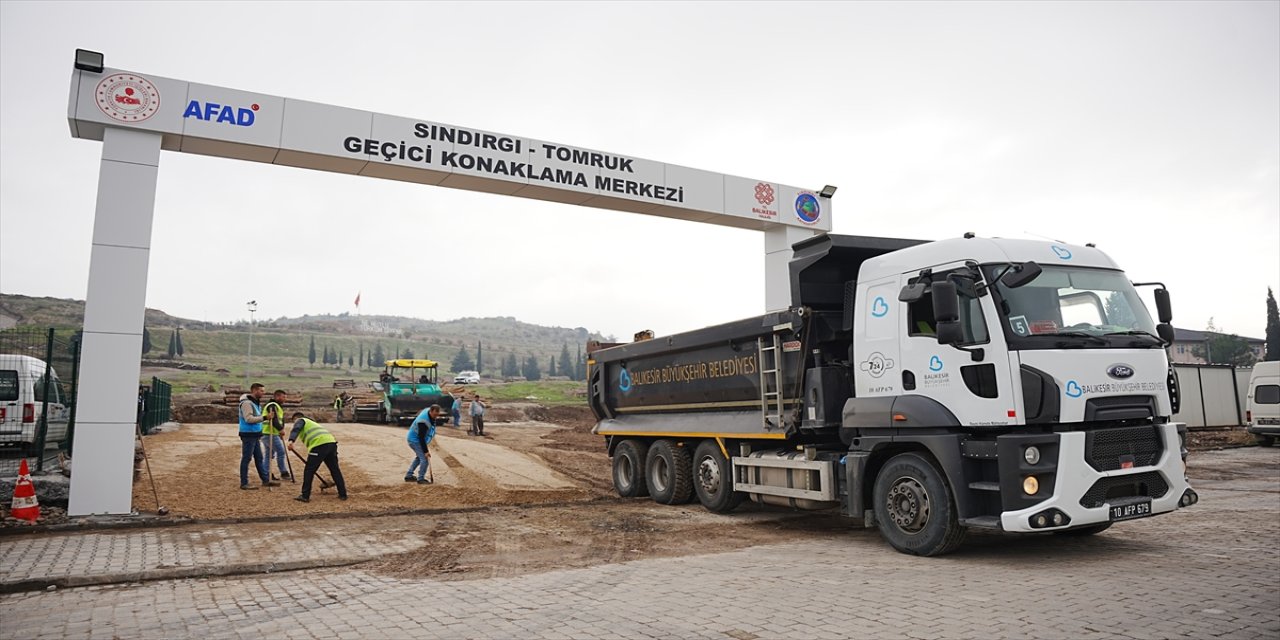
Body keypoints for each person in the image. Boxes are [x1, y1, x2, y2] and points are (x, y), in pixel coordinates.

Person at [287, 412, 348, 502]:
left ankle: (305, 496)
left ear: (296, 419)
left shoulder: (300, 420)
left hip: (319, 445)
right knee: (335, 470)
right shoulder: (313, 424)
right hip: (331, 443)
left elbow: (296, 428)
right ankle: (343, 494)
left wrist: (291, 440)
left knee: (309, 470)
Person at [237, 383, 278, 490]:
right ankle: (244, 483)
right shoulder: (246, 403)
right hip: (248, 434)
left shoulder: (255, 403)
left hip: (255, 434)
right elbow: (248, 419)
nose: (263, 393)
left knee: (259, 458)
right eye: (261, 391)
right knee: (246, 458)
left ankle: (265, 480)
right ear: (254, 391)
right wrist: (265, 417)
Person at [260, 389, 292, 481]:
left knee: (268, 454)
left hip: (269, 433)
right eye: (283, 397)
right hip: (270, 433)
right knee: (281, 452)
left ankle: (266, 473)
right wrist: (280, 429)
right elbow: (274, 420)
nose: (285, 399)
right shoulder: (272, 405)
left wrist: (280, 430)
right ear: (277, 396)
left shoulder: (277, 406)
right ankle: (284, 472)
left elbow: (280, 420)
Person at [405, 404, 440, 484]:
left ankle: (409, 475)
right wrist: (426, 451)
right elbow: (421, 438)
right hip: (414, 440)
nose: (436, 417)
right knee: (424, 459)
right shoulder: (423, 422)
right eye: (434, 415)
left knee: (419, 457)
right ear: (431, 411)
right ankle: (421, 478)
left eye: (437, 415)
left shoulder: (428, 411)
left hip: (415, 439)